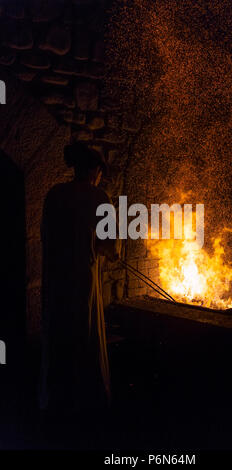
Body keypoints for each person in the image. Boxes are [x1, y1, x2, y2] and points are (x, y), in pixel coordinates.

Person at [39, 142, 119, 419]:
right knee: (85, 337)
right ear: (95, 170)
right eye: (100, 171)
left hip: (57, 281)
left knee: (60, 336)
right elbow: (111, 248)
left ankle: (58, 401)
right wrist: (108, 252)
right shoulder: (99, 198)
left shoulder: (54, 195)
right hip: (82, 282)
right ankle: (87, 406)